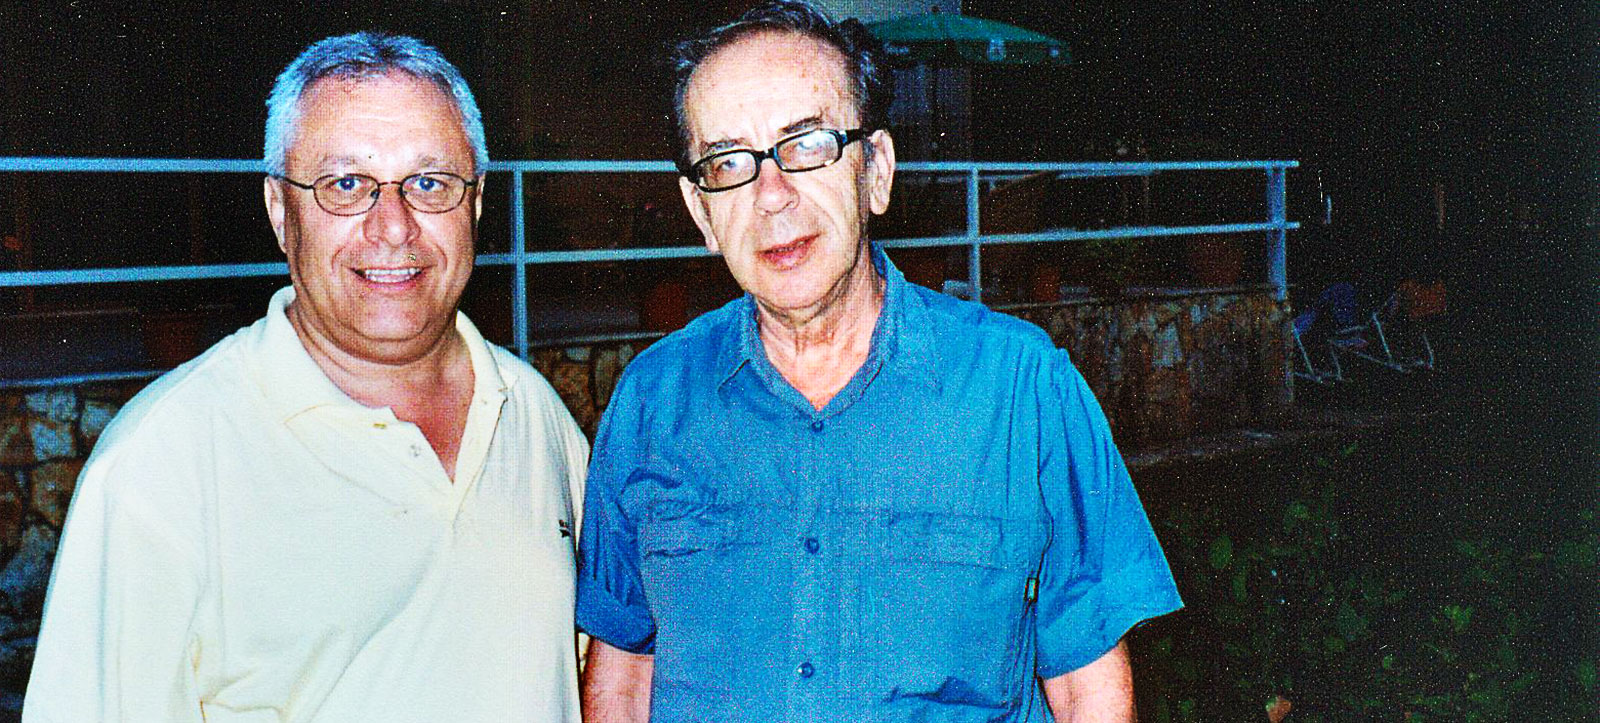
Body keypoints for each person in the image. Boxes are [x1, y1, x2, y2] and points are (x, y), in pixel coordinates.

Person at [575, 3, 1181, 722]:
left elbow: (1089, 687)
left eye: (807, 145)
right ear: (701, 210)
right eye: (729, 162)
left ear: (877, 173)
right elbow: (623, 670)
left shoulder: (1024, 390)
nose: (772, 196)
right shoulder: (651, 402)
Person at [24, 32, 588, 722]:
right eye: (345, 185)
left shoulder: (530, 412)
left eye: (430, 183)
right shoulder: (162, 465)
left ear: (473, 204)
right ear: (279, 211)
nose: (393, 227)